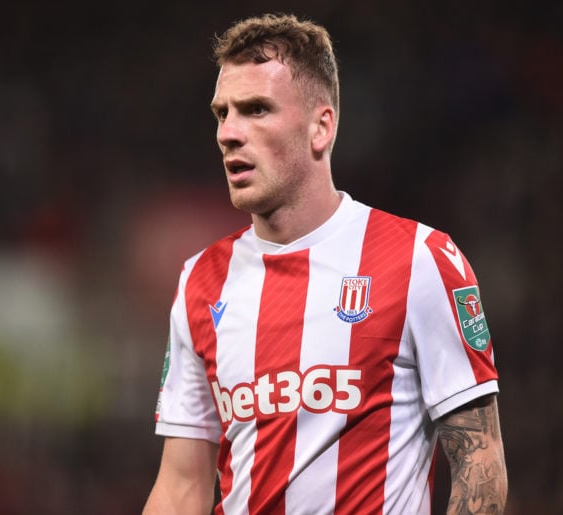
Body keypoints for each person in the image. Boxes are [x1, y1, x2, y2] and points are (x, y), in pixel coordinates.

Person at [143, 13, 507, 515]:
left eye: (255, 109)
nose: (228, 132)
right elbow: (181, 486)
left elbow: (479, 463)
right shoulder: (200, 281)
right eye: (222, 113)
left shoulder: (420, 260)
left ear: (321, 127)